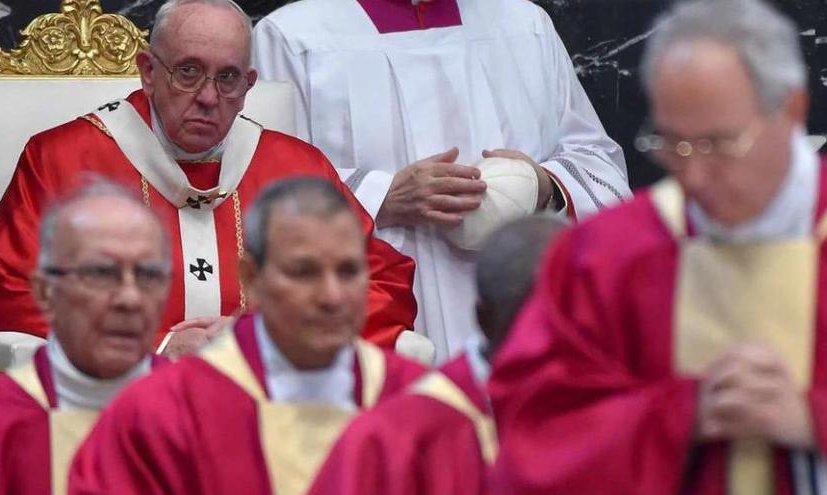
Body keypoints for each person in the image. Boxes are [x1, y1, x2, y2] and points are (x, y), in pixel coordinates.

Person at [488, 0, 827, 493]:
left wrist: (810, 419)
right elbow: (532, 437)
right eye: (672, 143)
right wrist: (682, 416)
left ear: (792, 111)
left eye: (718, 143)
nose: (692, 174)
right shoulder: (603, 258)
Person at [0, 0, 417, 356]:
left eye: (228, 78)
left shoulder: (297, 169)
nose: (207, 97)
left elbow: (381, 285)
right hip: (111, 413)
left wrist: (269, 333)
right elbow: (6, 297)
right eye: (188, 71)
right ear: (148, 72)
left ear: (248, 86)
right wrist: (153, 348)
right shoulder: (62, 159)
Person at [252, 0, 631, 362]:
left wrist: (542, 184)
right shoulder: (292, 37)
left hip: (523, 302)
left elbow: (595, 158)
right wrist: (381, 196)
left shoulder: (526, 25)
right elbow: (262, 185)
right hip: (381, 311)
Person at [68, 178, 427, 495]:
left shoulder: (419, 404)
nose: (331, 296)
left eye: (348, 271)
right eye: (303, 272)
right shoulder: (159, 411)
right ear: (252, 278)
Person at [307, 214, 567, 495]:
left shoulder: (610, 414)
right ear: (482, 318)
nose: (542, 339)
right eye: (526, 320)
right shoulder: (395, 437)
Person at [0, 180, 171, 495]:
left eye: (149, 275)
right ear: (45, 292)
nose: (129, 299)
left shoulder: (208, 411)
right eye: (100, 273)